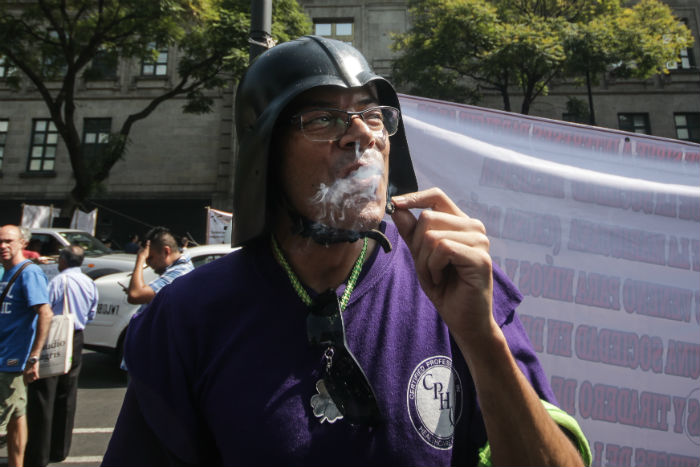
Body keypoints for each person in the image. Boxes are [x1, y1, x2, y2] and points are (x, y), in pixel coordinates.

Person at [104, 36, 590, 466]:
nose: (363, 133)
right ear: (266, 156)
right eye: (322, 118)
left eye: (372, 114)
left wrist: (482, 340)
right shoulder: (188, 317)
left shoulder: (459, 283)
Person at [25, 245, 98, 467]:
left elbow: (45, 311)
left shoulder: (58, 281)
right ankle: (60, 448)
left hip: (55, 337)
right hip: (77, 337)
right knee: (67, 393)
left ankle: (39, 454)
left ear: (64, 260)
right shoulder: (89, 282)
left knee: (43, 396)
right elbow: (91, 313)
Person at [0, 225, 53, 467]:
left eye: (9, 241)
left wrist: (34, 357)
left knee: (9, 415)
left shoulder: (28, 273)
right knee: (17, 415)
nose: (3, 246)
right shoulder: (5, 273)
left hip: (11, 358)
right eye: (0, 242)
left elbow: (45, 313)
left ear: (23, 243)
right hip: (4, 355)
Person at [125, 226, 194, 307]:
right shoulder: (177, 269)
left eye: (150, 258)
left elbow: (135, 295)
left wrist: (141, 258)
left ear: (166, 251)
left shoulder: (179, 273)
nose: (148, 263)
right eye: (146, 258)